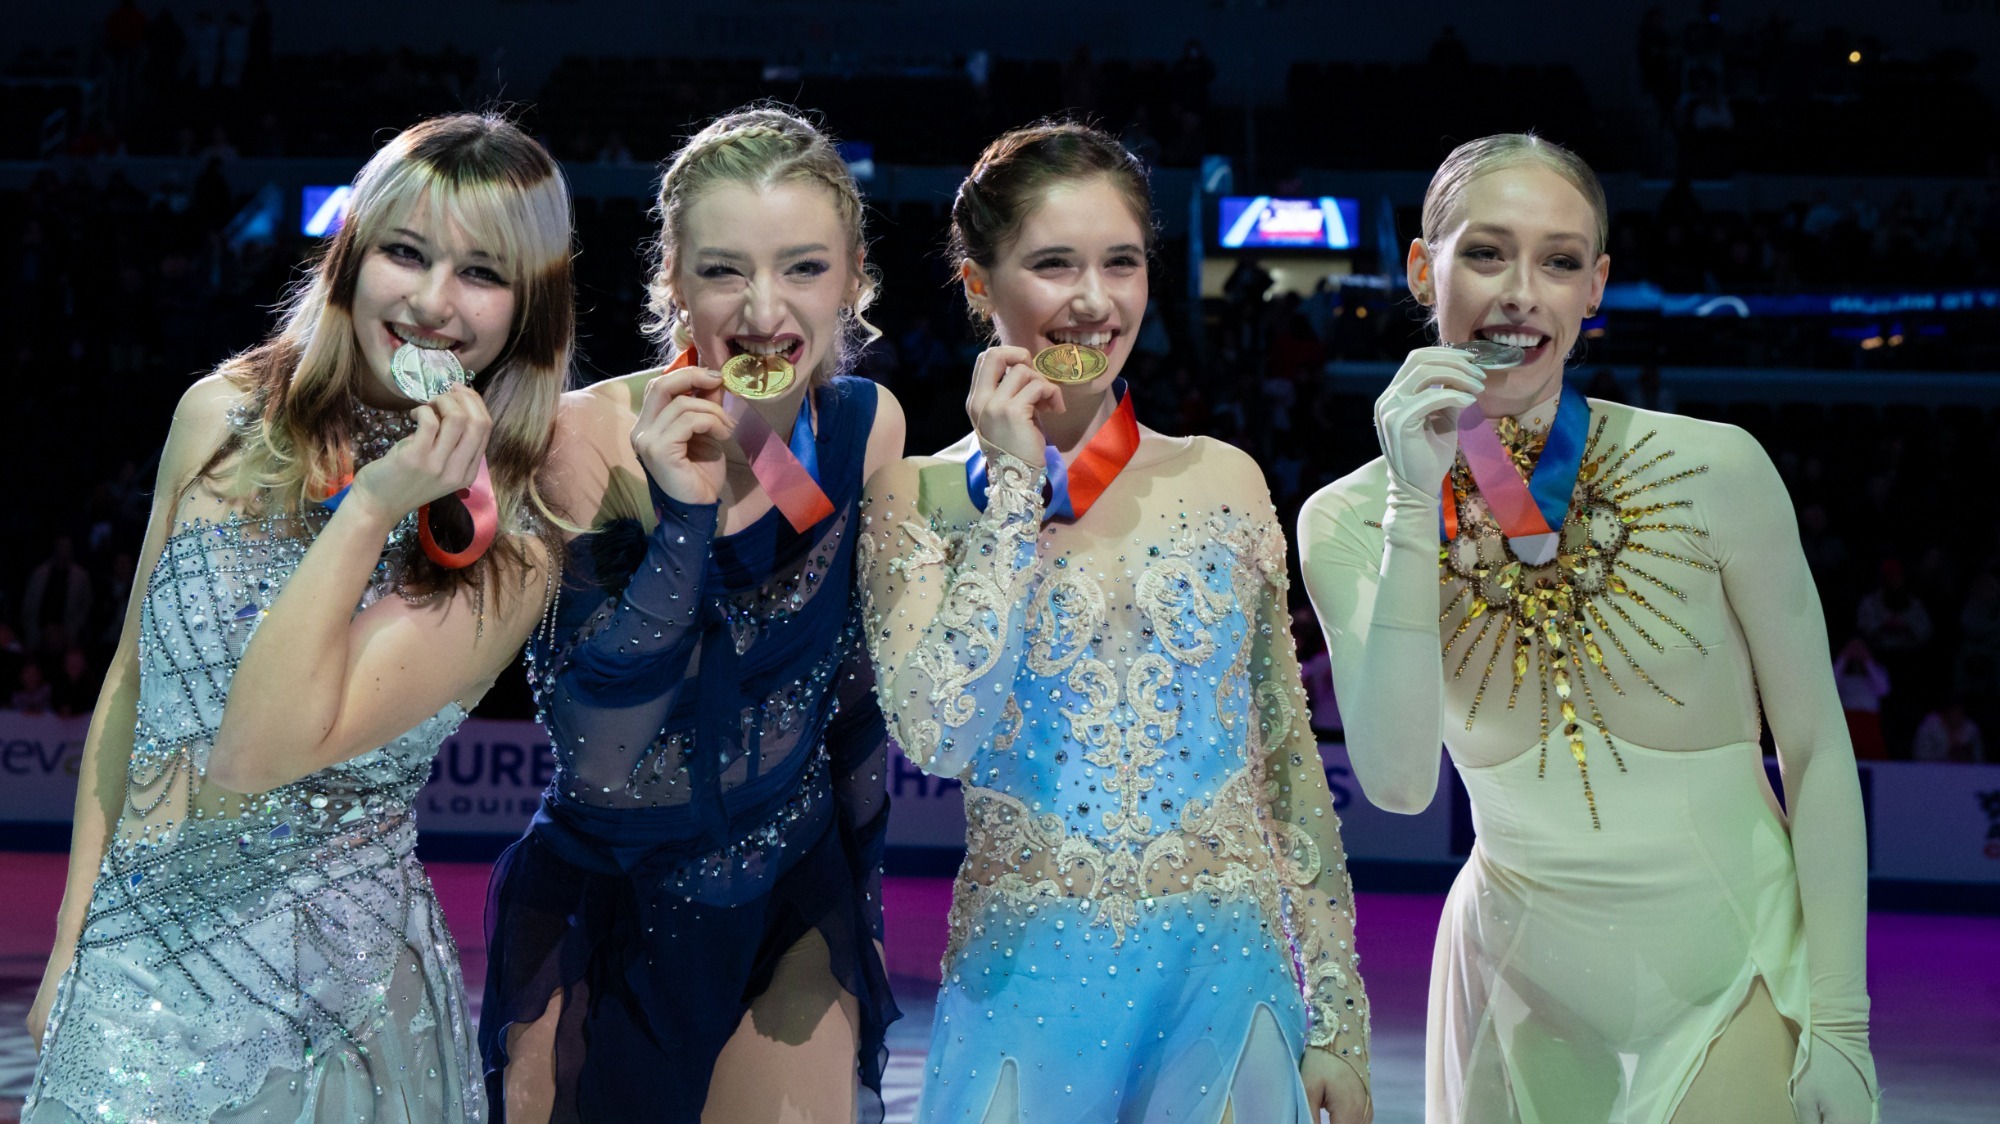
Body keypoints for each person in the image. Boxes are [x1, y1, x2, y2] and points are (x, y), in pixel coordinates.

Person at [1298, 133, 1877, 1124]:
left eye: (1558, 260)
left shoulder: (1715, 469)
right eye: (1485, 252)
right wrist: (1408, 497)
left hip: (1728, 961)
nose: (1521, 290)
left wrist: (1842, 1020)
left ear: (1594, 286)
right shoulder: (1346, 520)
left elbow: (1818, 747)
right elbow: (1396, 784)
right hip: (1512, 984)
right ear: (1418, 267)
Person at [25, 112, 575, 1122]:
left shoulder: (516, 540)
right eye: (405, 252)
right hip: (128, 966)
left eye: (482, 273)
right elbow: (132, 686)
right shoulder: (218, 413)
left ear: (529, 308)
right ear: (351, 255)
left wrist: (376, 501)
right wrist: (72, 935)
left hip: (329, 1016)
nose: (431, 301)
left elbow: (259, 752)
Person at [861, 121, 1371, 1123]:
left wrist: (1339, 1019)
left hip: (1225, 977)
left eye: (1120, 263)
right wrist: (1012, 489)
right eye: (1053, 263)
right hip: (1025, 985)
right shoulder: (918, 497)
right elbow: (937, 733)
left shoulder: (1221, 478)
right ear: (978, 285)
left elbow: (1284, 760)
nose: (1094, 301)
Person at [479, 105, 905, 1124]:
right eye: (724, 271)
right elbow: (599, 750)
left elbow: (852, 704)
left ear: (853, 276)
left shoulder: (863, 427)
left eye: (803, 267)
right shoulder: (579, 440)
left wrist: (867, 906)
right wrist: (681, 516)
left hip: (792, 891)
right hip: (609, 904)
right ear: (670, 276)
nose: (764, 308)